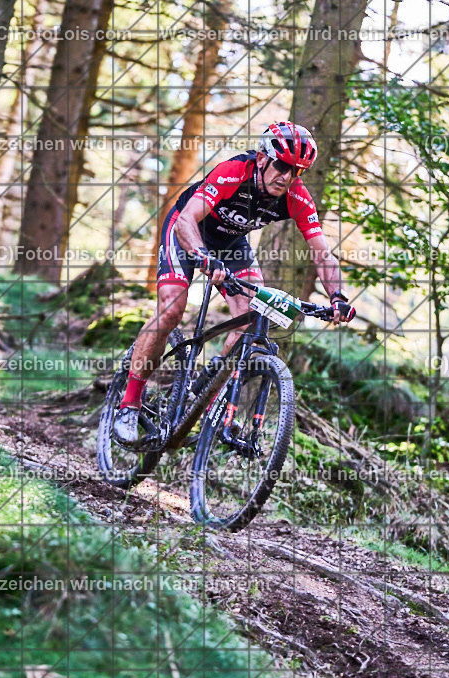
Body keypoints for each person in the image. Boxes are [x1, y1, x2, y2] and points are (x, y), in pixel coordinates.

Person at [114, 121, 355, 444]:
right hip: (187, 231)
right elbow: (187, 219)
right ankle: (129, 402)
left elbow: (323, 253)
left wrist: (337, 296)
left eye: (296, 171)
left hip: (231, 245)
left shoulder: (296, 196)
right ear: (261, 158)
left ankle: (202, 397)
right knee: (171, 309)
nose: (287, 177)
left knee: (251, 315)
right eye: (282, 166)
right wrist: (201, 256)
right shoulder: (233, 173)